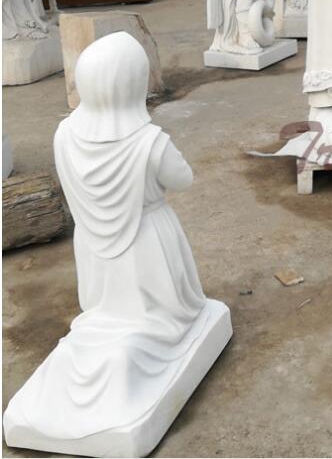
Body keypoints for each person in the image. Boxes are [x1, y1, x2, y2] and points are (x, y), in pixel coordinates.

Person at [8, 32, 210, 439]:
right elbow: (183, 179)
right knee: (159, 322)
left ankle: (102, 360)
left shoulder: (64, 134)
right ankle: (132, 352)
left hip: (95, 249)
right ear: (135, 83)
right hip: (148, 242)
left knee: (104, 319)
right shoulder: (149, 141)